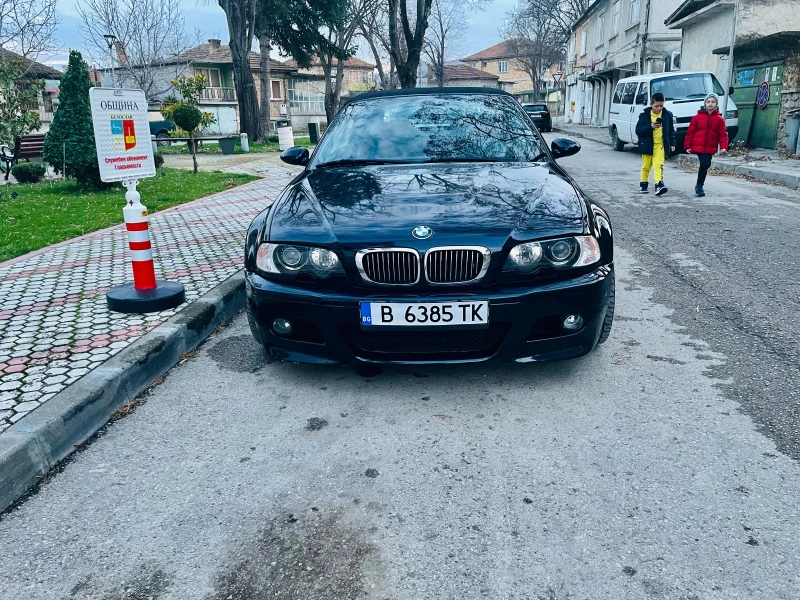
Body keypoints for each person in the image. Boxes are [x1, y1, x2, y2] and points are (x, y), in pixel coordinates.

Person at [684, 93, 729, 197]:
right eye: (708, 102)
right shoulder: (697, 118)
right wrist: (687, 146)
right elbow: (690, 132)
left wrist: (723, 147)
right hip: (698, 146)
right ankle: (699, 186)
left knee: (706, 164)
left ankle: (699, 184)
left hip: (710, 147)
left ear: (716, 104)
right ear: (705, 103)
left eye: (713, 102)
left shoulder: (719, 119)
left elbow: (723, 135)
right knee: (704, 164)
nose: (710, 104)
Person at [635, 92, 676, 196]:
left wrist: (672, 144)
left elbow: (671, 131)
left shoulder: (667, 115)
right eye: (656, 106)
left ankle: (659, 185)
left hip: (660, 145)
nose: (659, 108)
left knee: (659, 165)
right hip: (647, 145)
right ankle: (643, 184)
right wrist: (650, 126)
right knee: (646, 166)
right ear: (651, 104)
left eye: (661, 106)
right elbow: (638, 130)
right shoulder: (644, 116)